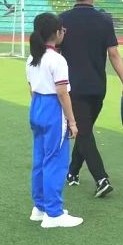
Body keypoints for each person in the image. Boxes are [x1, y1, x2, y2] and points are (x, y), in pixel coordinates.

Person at [61, 0, 123, 198]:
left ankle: (101, 179)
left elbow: (54, 53)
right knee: (85, 131)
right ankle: (73, 172)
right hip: (97, 87)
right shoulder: (104, 20)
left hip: (73, 88)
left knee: (83, 131)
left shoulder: (62, 20)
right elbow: (114, 54)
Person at [27, 13, 83, 228]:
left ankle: (40, 207)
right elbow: (62, 92)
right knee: (55, 161)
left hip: (37, 106)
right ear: (57, 32)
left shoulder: (32, 58)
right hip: (52, 109)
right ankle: (54, 213)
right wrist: (72, 122)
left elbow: (31, 88)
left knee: (40, 159)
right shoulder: (57, 60)